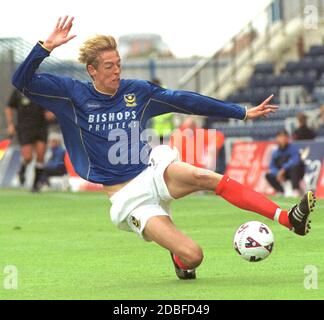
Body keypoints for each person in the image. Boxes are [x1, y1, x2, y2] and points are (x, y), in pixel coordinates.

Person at [12, 16, 316, 280]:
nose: (116, 71)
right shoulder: (71, 94)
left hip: (153, 169)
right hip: (127, 197)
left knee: (206, 178)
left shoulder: (137, 92)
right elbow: (21, 80)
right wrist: (45, 46)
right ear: (92, 70)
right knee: (194, 255)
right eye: (108, 66)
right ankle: (179, 258)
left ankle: (289, 220)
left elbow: (185, 100)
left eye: (118, 64)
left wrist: (241, 111)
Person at [4, 88, 54, 192]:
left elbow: (52, 105)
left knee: (41, 155)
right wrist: (10, 124)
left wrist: (50, 112)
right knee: (28, 157)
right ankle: (22, 170)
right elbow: (9, 107)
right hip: (25, 127)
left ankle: (36, 184)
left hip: (41, 126)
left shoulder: (42, 89)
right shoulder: (18, 90)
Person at [266, 130, 305, 197]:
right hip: (282, 175)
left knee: (295, 167)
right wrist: (277, 173)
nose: (283, 139)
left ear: (288, 138)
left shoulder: (293, 149)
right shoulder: (275, 152)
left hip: (293, 173)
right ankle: (281, 191)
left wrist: (283, 169)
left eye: (285, 136)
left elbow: (295, 160)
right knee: (268, 175)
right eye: (280, 137)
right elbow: (271, 166)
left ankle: (295, 190)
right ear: (277, 138)